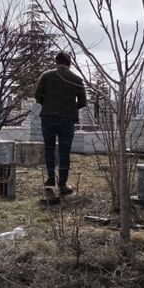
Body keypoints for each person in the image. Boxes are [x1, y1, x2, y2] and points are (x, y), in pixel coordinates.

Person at [34, 52, 87, 195]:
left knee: (49, 147)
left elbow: (37, 96)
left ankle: (50, 178)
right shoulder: (76, 79)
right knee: (65, 151)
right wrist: (69, 106)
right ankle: (62, 184)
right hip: (67, 119)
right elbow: (83, 102)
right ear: (69, 63)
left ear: (56, 62)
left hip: (48, 118)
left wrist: (49, 104)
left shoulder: (46, 76)